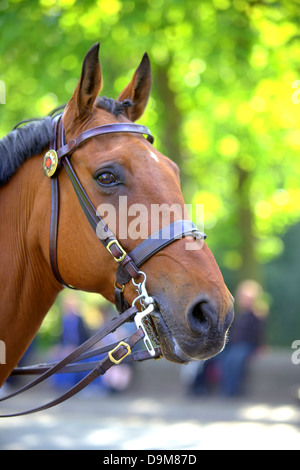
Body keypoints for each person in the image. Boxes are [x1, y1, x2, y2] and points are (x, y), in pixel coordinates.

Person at [220, 279, 268, 396]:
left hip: (246, 345)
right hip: (234, 345)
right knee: (223, 359)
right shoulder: (240, 314)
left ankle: (232, 390)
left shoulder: (256, 314)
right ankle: (224, 388)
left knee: (234, 359)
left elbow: (259, 332)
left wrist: (261, 346)